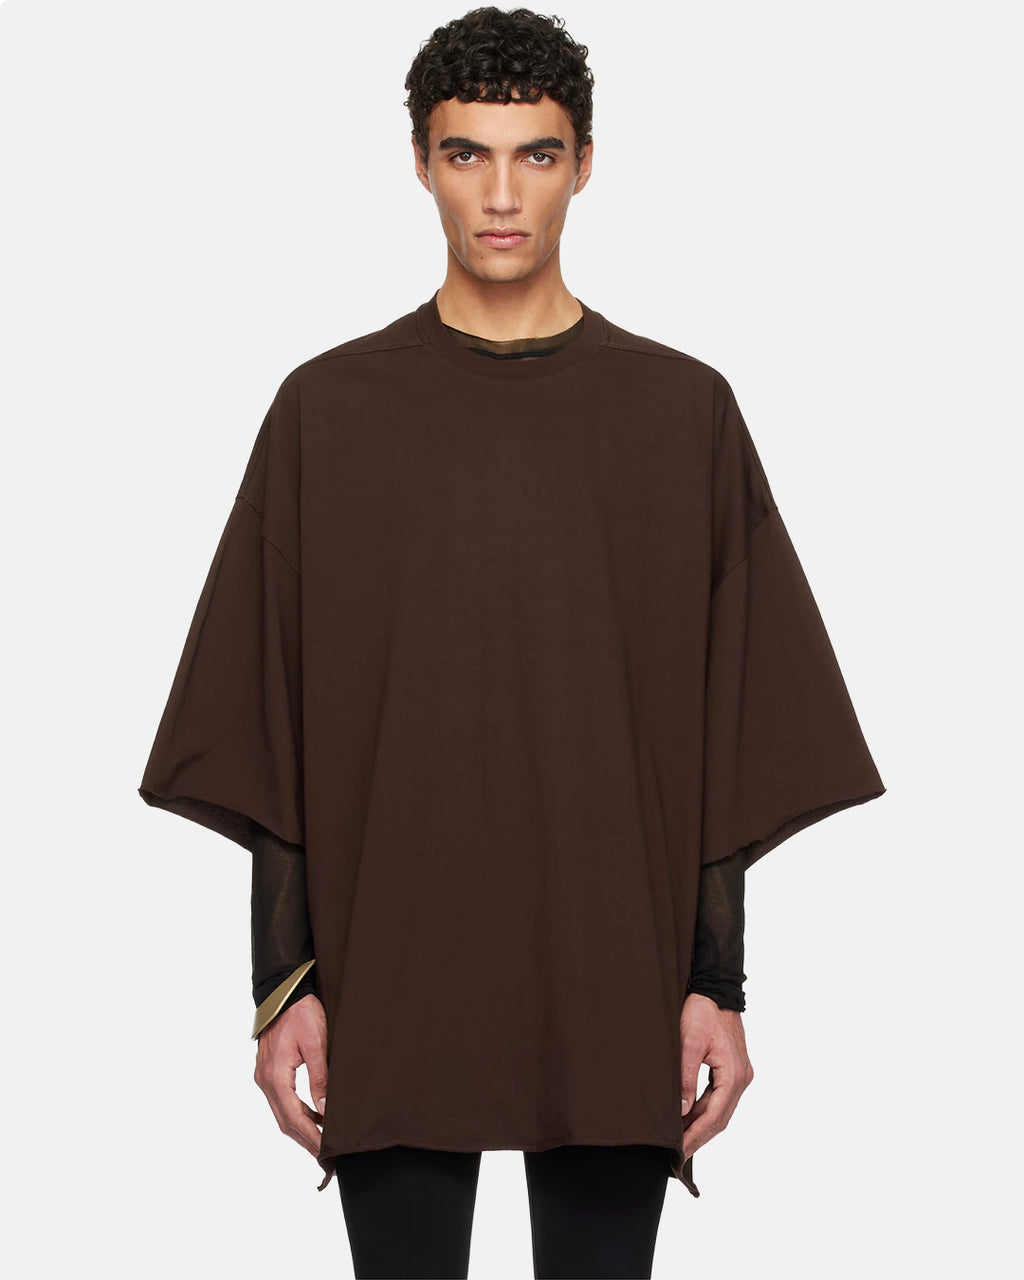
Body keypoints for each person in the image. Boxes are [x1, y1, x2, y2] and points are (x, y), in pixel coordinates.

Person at [138, 7, 886, 1277]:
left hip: (611, 966)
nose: (499, 195)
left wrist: (717, 983)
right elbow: (268, 718)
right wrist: (283, 986)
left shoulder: (680, 412)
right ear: (419, 163)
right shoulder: (328, 411)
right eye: (465, 154)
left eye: (534, 154)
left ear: (583, 163)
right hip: (388, 963)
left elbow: (729, 727)